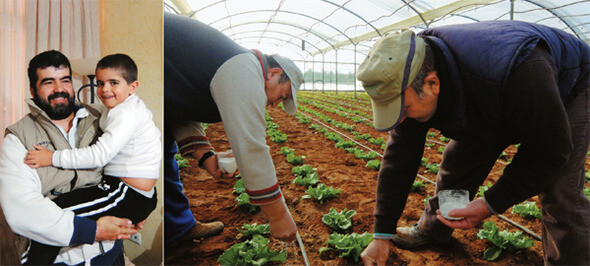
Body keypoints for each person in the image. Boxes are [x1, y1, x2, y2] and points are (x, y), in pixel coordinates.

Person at [356, 21, 589, 265]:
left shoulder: (522, 71)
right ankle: (434, 230)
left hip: (571, 84)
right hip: (492, 91)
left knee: (559, 189)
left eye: (403, 108)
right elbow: (400, 157)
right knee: (459, 160)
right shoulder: (411, 71)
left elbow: (550, 150)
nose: (401, 118)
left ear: (433, 84)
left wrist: (490, 204)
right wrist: (382, 234)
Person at [163, 12, 304, 247]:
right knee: (148, 158)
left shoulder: (236, 64)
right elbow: (251, 146)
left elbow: (181, 105)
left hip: (158, 85)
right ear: (275, 73)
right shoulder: (244, 68)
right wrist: (278, 216)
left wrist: (206, 155)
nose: (278, 103)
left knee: (162, 156)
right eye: (284, 95)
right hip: (135, 55)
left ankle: (176, 228)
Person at [0, 50, 139, 265]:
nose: (59, 89)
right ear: (32, 90)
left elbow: (129, 164)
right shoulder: (18, 139)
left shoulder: (100, 119)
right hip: (61, 258)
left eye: (65, 80)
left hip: (111, 251)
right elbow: (21, 209)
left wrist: (141, 205)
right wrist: (94, 230)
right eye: (48, 82)